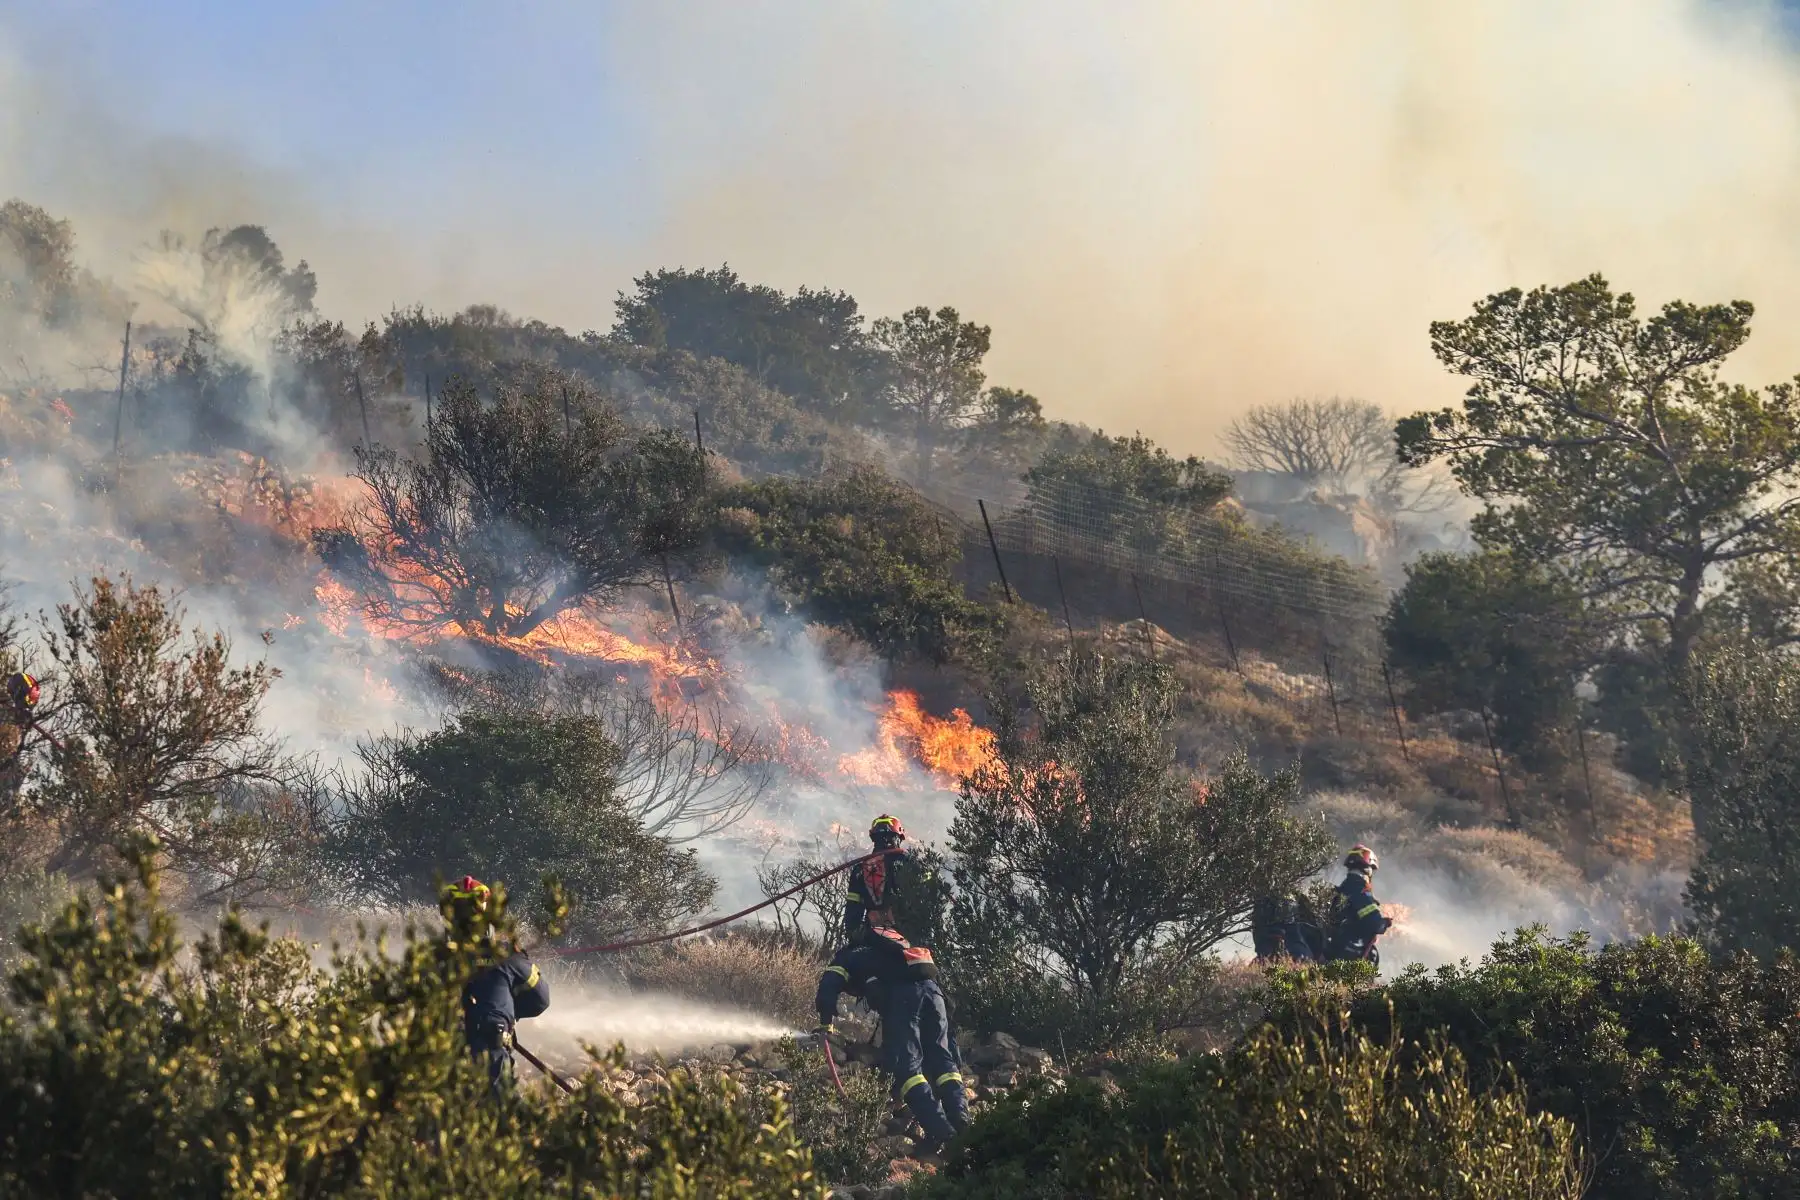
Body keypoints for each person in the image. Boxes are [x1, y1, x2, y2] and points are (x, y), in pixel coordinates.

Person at [816, 923, 969, 1156]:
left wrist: (825, 1023)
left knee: (907, 1071)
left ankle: (943, 1134)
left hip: (906, 996)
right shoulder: (895, 953)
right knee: (943, 1065)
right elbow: (948, 1041)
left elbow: (828, 986)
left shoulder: (847, 957)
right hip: (935, 995)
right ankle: (962, 1123)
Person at [450, 875, 551, 1094]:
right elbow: (541, 1000)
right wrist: (506, 1010)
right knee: (501, 1118)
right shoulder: (507, 955)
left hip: (441, 1064)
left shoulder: (431, 959)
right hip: (491, 1063)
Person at [843, 814, 913, 941]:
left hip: (874, 934)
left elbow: (853, 910)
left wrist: (854, 938)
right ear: (899, 837)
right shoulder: (911, 863)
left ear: (874, 838)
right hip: (909, 933)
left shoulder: (861, 868)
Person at [1328, 845, 1393, 966]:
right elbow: (1374, 923)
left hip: (1336, 950)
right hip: (1349, 955)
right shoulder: (1360, 890)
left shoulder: (1345, 888)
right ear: (1367, 870)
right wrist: (1384, 923)